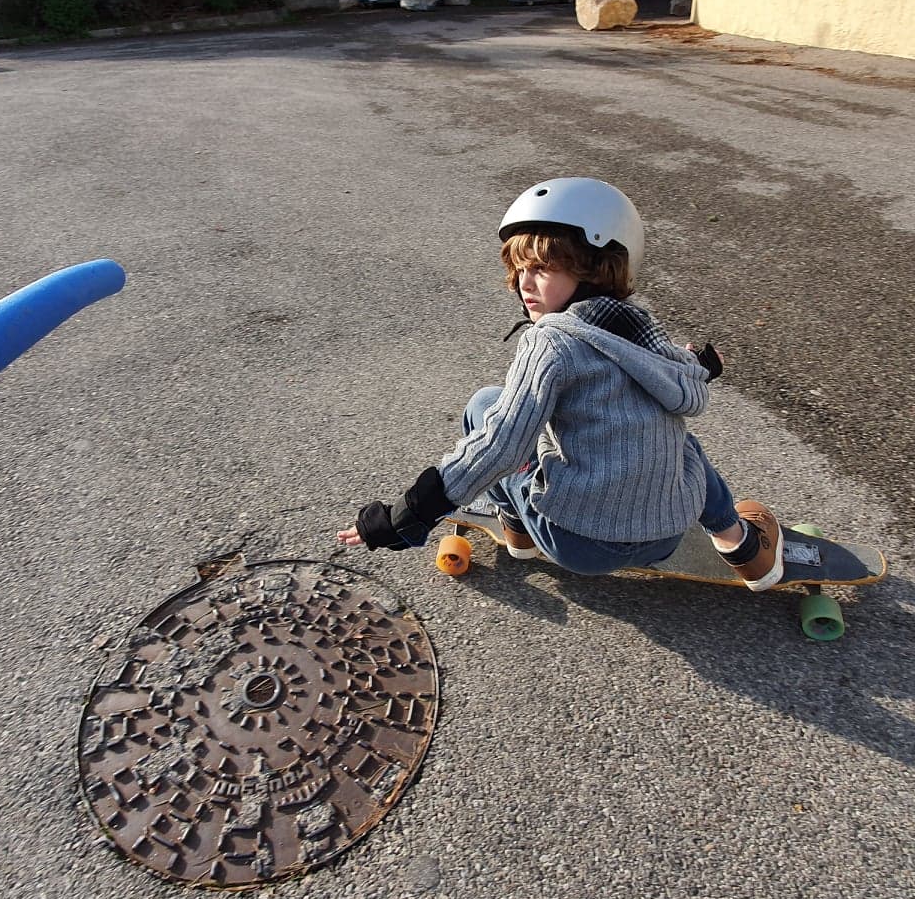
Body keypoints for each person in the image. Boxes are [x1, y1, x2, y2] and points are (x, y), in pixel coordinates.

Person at [336, 177, 784, 590]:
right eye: (519, 268)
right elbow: (676, 372)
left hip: (578, 546)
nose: (524, 284)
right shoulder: (637, 329)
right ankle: (741, 545)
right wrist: (702, 364)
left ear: (593, 268)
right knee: (684, 447)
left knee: (485, 408)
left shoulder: (550, 342)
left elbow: (499, 448)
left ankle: (518, 529)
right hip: (667, 531)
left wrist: (403, 517)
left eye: (542, 269)